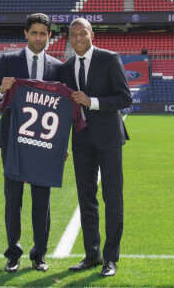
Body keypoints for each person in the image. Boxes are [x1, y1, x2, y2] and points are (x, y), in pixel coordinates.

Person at [0, 13, 62, 273]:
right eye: (34, 33)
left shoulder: (57, 66)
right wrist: (1, 89)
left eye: (44, 33)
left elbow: (63, 110)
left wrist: (62, 145)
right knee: (13, 198)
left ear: (49, 36)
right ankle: (13, 254)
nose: (39, 38)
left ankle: (39, 254)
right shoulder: (8, 61)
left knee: (42, 199)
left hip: (44, 142)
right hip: (13, 141)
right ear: (26, 34)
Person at [61, 18, 132, 277]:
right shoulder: (66, 67)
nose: (78, 38)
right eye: (73, 35)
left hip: (109, 138)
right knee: (86, 198)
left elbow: (125, 97)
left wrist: (92, 101)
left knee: (112, 198)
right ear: (68, 38)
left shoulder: (110, 59)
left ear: (92, 35)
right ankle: (92, 255)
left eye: (83, 33)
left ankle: (110, 258)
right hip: (81, 140)